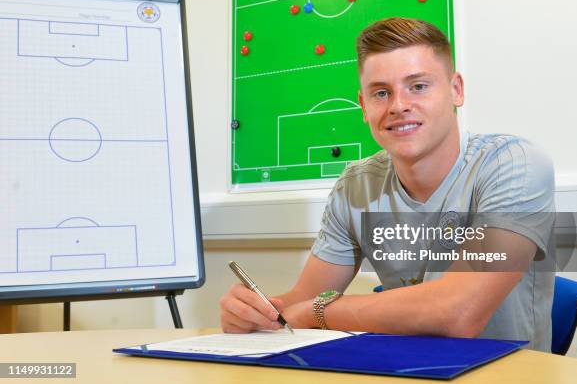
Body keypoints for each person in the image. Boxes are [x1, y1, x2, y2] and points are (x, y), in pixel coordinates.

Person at [220, 17, 556, 351]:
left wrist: (317, 311)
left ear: (456, 90)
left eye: (418, 86)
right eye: (381, 93)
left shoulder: (515, 165)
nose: (399, 106)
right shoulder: (355, 186)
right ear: (364, 106)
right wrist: (260, 314)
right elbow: (301, 302)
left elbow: (458, 312)